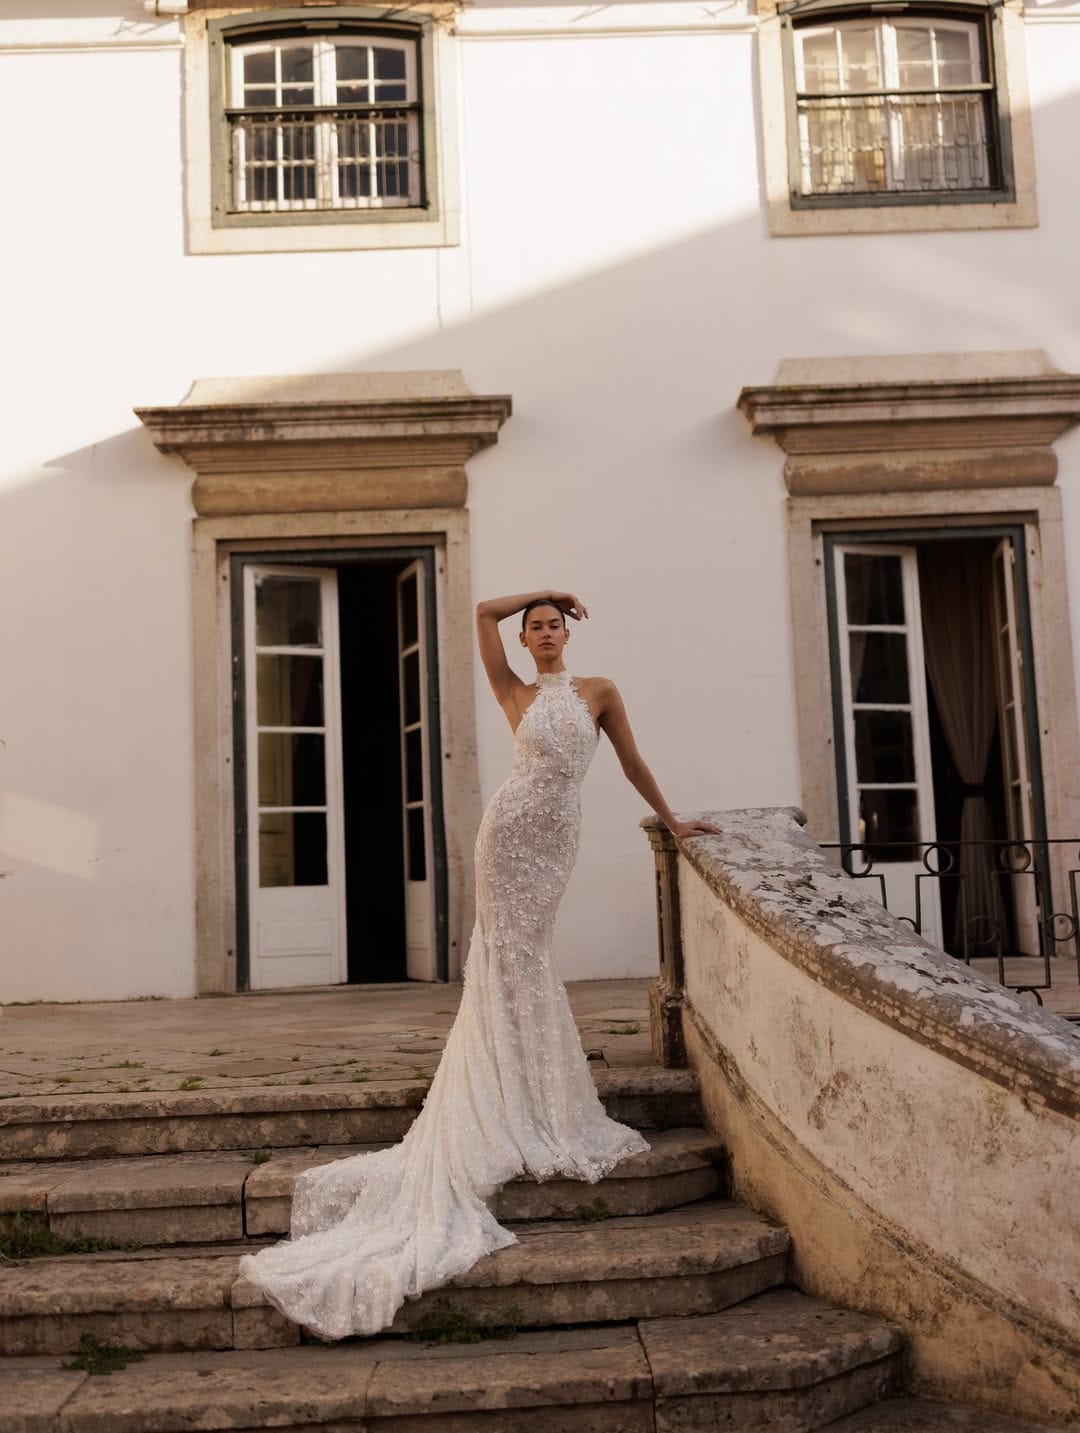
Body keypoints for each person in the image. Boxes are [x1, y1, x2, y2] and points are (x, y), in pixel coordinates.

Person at [239, 589, 721, 1340]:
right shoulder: (512, 689)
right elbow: (481, 614)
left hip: (555, 836)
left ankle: (532, 1088)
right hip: (507, 833)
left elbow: (630, 762)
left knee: (531, 956)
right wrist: (545, 589)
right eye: (536, 627)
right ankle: (505, 1087)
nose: (545, 633)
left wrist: (672, 820)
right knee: (504, 959)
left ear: (567, 635)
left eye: (553, 624)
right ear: (526, 640)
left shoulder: (600, 691)